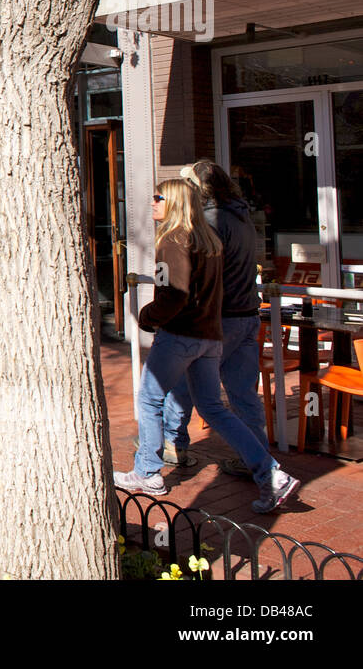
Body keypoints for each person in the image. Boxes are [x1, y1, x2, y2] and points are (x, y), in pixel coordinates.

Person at [114, 179, 298, 514]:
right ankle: (270, 473)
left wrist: (147, 316)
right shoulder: (209, 241)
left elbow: (173, 296)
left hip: (181, 335)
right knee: (213, 408)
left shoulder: (172, 242)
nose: (152, 202)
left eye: (158, 197)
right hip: (210, 338)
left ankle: (147, 473)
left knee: (150, 398)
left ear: (175, 203)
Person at [162, 160, 266, 476]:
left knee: (183, 383)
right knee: (243, 391)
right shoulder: (243, 217)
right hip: (247, 314)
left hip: (216, 319)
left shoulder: (209, 222)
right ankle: (255, 456)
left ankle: (173, 445)